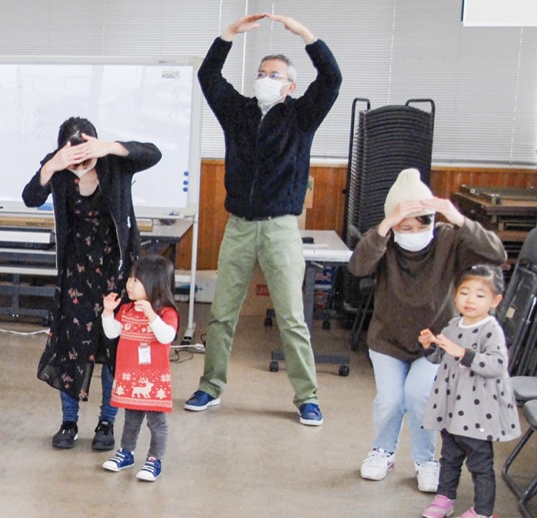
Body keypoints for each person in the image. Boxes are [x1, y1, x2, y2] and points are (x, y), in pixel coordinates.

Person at [185, 13, 342, 426]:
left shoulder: (301, 116)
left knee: (291, 317)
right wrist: (228, 35)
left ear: (290, 86)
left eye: (274, 74)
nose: (265, 79)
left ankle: (307, 397)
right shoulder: (237, 112)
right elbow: (208, 76)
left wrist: (306, 34)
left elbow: (331, 79)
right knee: (222, 314)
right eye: (260, 73)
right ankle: (210, 386)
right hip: (239, 225)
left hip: (280, 227)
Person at [349, 168, 506, 492]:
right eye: (404, 226)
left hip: (436, 342)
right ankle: (383, 452)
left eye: (421, 225)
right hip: (388, 340)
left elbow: (496, 254)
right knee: (390, 401)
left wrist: (458, 218)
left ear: (432, 221)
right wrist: (384, 226)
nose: (413, 232)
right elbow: (358, 266)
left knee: (420, 395)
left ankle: (426, 460)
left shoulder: (449, 239)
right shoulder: (383, 242)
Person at [23, 117, 162, 450]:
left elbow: (153, 153)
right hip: (76, 274)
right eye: (72, 157)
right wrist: (51, 165)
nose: (79, 164)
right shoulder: (58, 168)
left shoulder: (114, 163)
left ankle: (106, 422)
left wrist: (109, 147)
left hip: (116, 272)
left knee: (115, 348)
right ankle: (68, 422)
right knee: (71, 347)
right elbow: (30, 196)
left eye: (84, 156)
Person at [418, 265, 520, 518]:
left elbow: (497, 365)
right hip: (451, 407)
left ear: (495, 300)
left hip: (478, 412)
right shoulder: (453, 325)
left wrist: (464, 353)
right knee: (449, 457)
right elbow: (438, 358)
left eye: (480, 295)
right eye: (464, 292)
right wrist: (429, 346)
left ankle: (483, 511)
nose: (470, 300)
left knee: (480, 463)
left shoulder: (491, 329)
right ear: (455, 295)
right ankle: (445, 498)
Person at [100, 255, 179, 482]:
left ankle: (155, 460)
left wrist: (151, 315)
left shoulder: (166, 313)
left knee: (157, 423)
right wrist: (107, 312)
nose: (129, 284)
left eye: (136, 280)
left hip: (154, 381)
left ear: (154, 283)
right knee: (131, 419)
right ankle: (126, 453)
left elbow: (166, 336)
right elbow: (111, 333)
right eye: (130, 279)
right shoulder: (126, 309)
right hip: (130, 377)